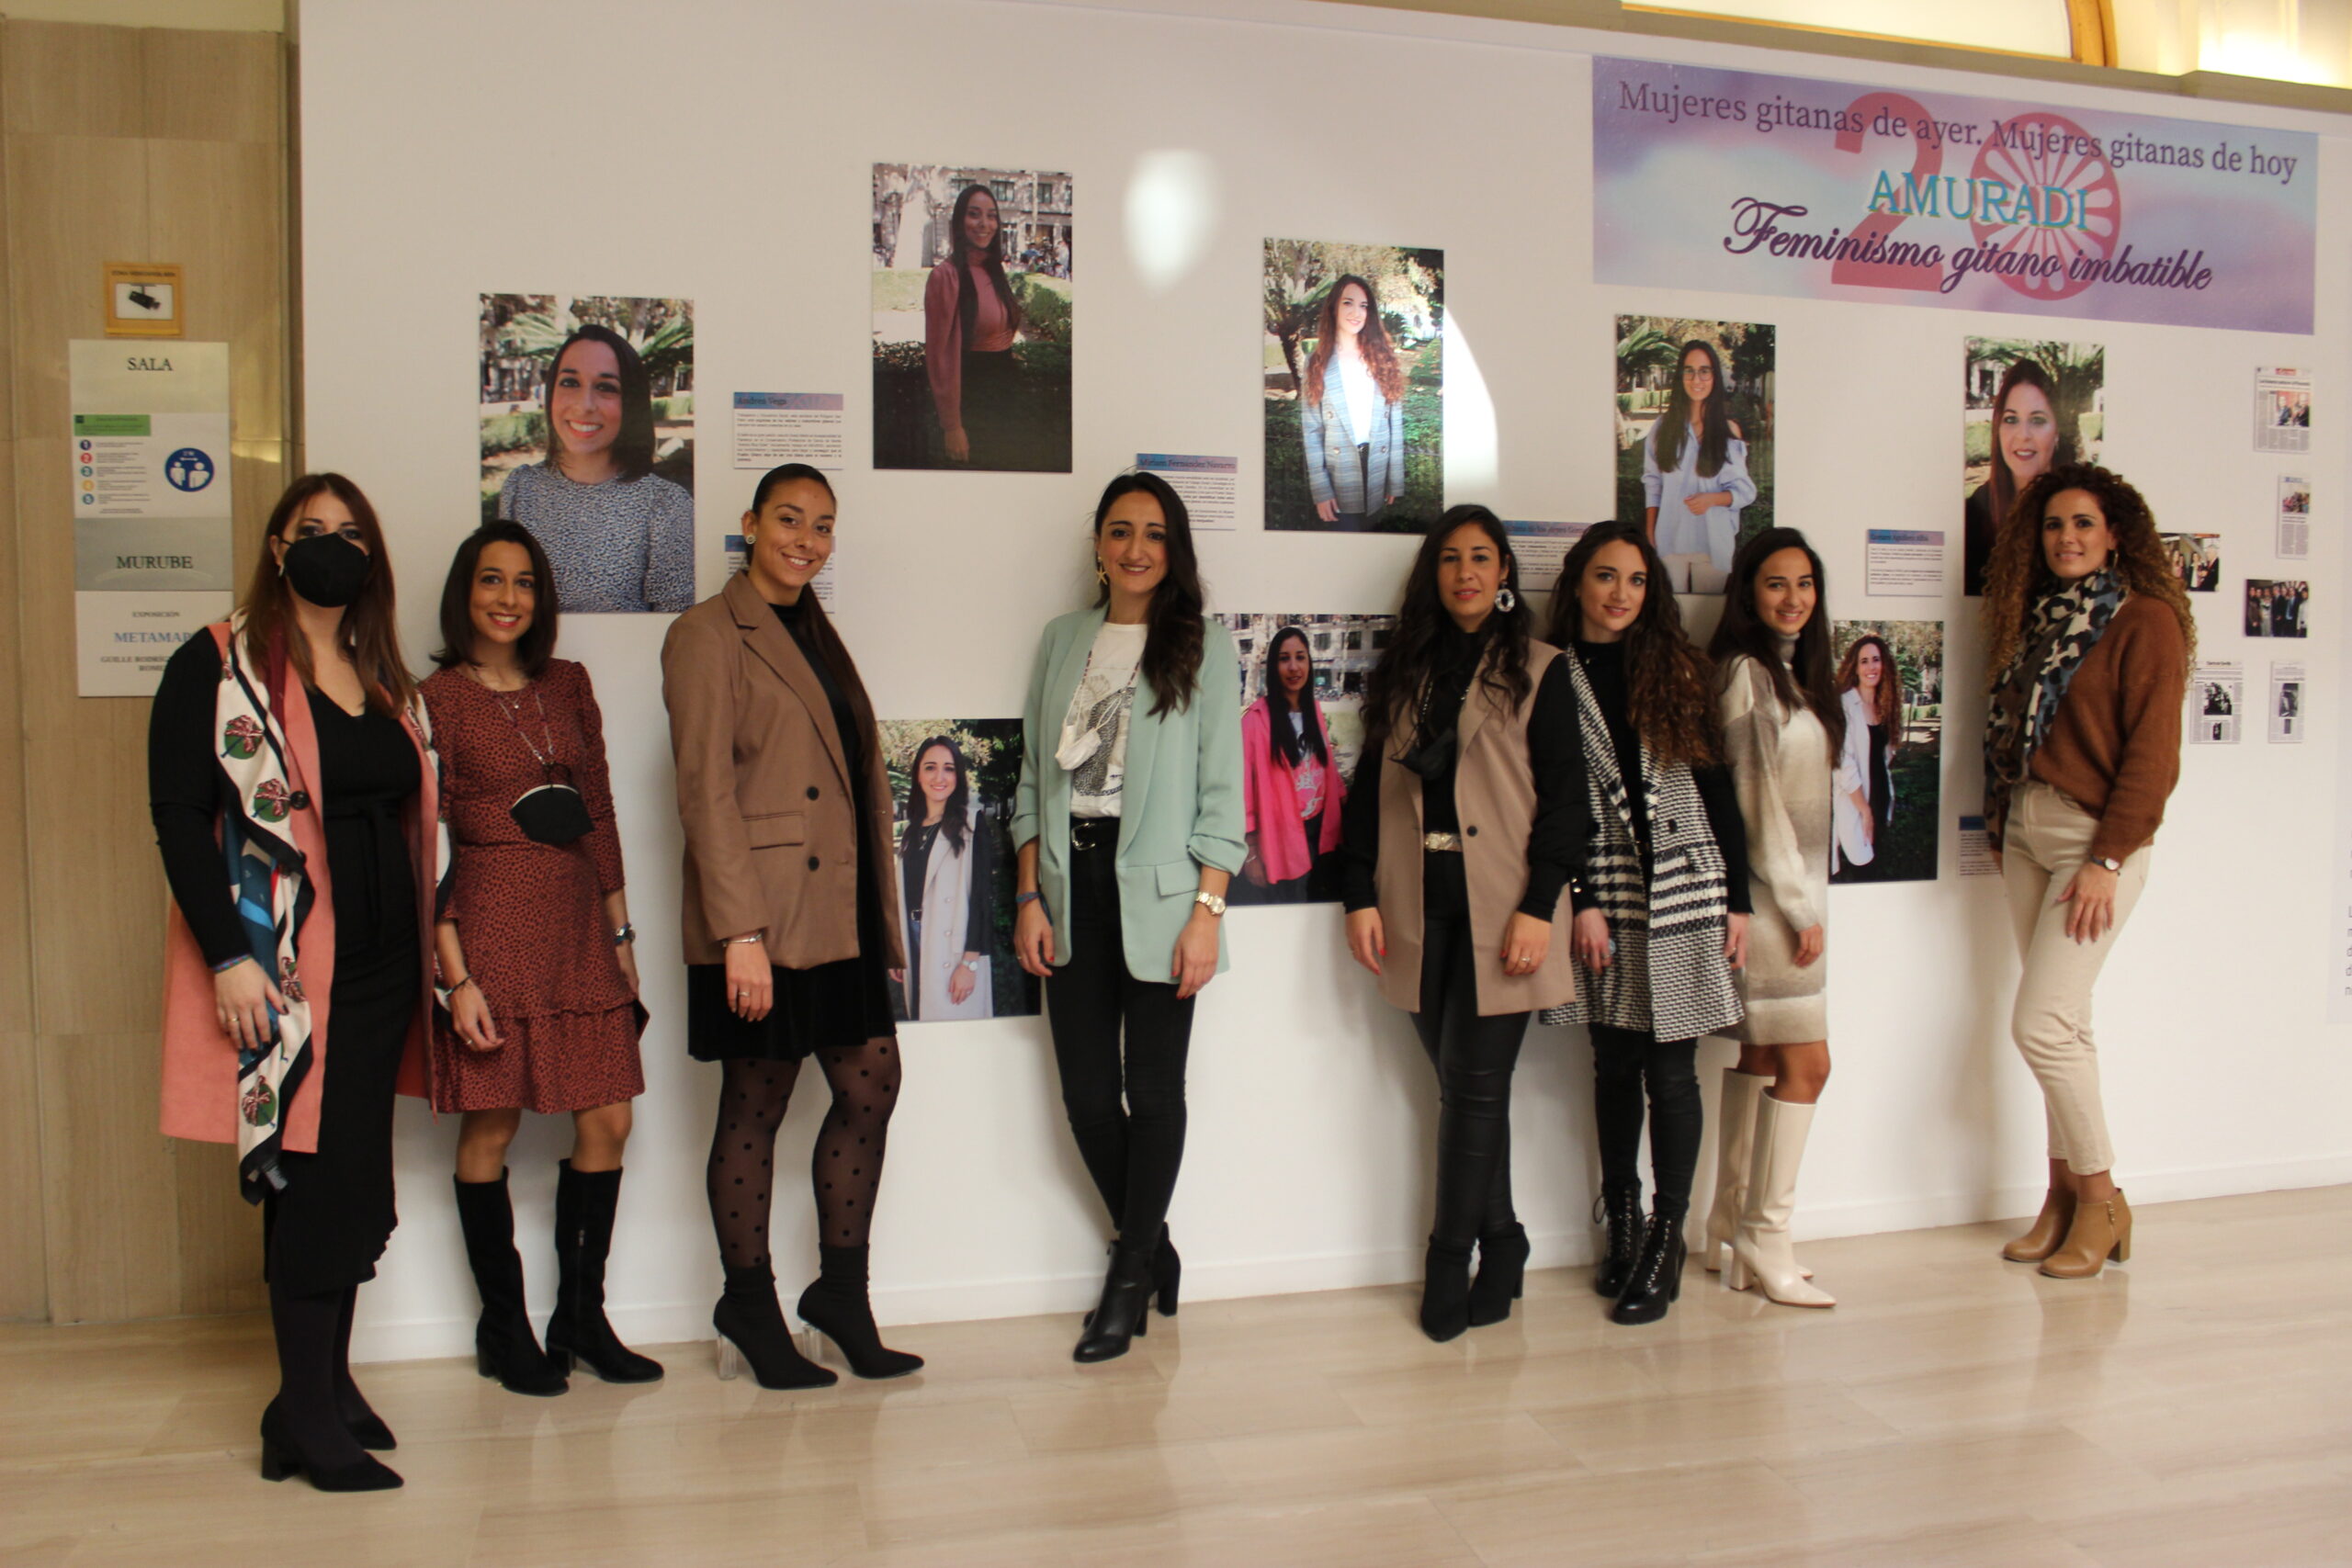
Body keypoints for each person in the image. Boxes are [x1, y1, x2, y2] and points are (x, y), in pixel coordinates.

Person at [152, 475, 435, 1492]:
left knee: (351, 1176)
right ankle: (305, 1414)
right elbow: (179, 813)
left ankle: (321, 1389)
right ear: (277, 548)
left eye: (351, 533)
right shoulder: (218, 661)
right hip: (287, 969)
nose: (331, 546)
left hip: (384, 964)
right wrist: (227, 956)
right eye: (311, 530)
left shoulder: (380, 671)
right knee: (310, 1178)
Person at [662, 463, 922, 1388]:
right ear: (750, 524)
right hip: (763, 920)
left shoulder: (814, 629)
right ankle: (748, 1301)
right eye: (788, 519)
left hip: (836, 912)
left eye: (822, 525)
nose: (806, 540)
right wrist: (740, 935)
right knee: (756, 1101)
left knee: (871, 1083)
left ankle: (840, 1296)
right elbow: (704, 793)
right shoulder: (705, 633)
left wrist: (882, 922)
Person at [420, 523, 658, 1396]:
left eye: (524, 582)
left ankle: (580, 1319)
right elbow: (426, 845)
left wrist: (622, 934)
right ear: (465, 591)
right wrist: (455, 976)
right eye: (492, 579)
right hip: (489, 928)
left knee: (609, 1121)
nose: (508, 598)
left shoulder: (569, 682)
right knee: (493, 1126)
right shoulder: (434, 699)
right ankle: (503, 1325)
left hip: (579, 929)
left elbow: (600, 808)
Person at [1012, 470, 1245, 1362]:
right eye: (1120, 531)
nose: (1136, 548)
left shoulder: (1203, 646)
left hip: (1164, 896)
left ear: (1173, 548)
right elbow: (1033, 780)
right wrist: (1029, 893)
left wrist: (1207, 912)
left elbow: (1221, 794)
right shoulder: (1061, 638)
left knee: (1152, 1093)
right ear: (1099, 545)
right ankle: (1153, 1249)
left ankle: (1124, 1278)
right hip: (1069, 886)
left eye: (1153, 533)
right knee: (1084, 1097)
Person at [1340, 507, 1581, 1340]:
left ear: (1505, 571)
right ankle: (1505, 1241)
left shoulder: (1543, 670)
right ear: (1433, 573)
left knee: (1474, 1088)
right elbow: (1369, 790)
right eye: (1450, 558)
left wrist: (1538, 907)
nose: (1466, 572)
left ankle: (1449, 1261)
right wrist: (1359, 893)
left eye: (1481, 557)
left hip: (1501, 910)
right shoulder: (1406, 670)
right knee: (1465, 1090)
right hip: (1416, 906)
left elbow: (1567, 805)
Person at [1539, 520, 1751, 1326]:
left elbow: (1717, 784)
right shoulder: (1551, 672)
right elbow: (1549, 796)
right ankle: (1622, 1217)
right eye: (1606, 576)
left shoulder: (1677, 668)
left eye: (1635, 579)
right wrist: (1580, 897)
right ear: (1578, 582)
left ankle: (1669, 1235)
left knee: (1672, 1071)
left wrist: (1739, 897)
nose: (1621, 593)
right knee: (1613, 1062)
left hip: (1686, 887)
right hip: (1607, 890)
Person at [1983, 462, 2190, 1280]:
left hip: (2092, 842)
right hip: (2026, 833)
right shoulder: (2038, 619)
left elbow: (2153, 757)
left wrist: (2108, 857)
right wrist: (2002, 824)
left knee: (2039, 1024)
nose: (2065, 538)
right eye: (2053, 525)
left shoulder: (2145, 621)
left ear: (2115, 536)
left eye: (2082, 524)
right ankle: (2061, 1197)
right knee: (2066, 1026)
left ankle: (2102, 1198)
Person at [1705, 528, 1841, 1308]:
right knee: (1808, 1066)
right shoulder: (1745, 674)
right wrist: (1795, 904)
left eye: (1804, 583)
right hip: (1772, 906)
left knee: (1762, 1057)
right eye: (1775, 583)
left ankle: (1730, 1220)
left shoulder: (1790, 675)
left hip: (1788, 900)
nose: (1793, 598)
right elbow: (1753, 800)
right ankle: (1767, 1233)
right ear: (1748, 594)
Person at [498, 323, 695, 615]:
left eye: (605, 387)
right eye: (570, 382)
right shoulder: (520, 489)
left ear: (631, 403)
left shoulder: (665, 505)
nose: (584, 405)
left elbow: (676, 627)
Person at [892, 736, 997, 1021]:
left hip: (955, 953)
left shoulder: (972, 824)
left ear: (958, 776)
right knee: (922, 1025)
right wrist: (898, 950)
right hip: (915, 943)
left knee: (956, 1036)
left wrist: (970, 964)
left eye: (948, 768)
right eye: (930, 767)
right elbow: (904, 897)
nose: (939, 777)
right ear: (918, 775)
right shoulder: (911, 832)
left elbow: (982, 899)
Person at [1238, 625, 1346, 903]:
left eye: (1300, 657)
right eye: (1284, 659)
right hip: (1282, 837)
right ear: (1273, 667)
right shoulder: (1255, 720)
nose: (1294, 667)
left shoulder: (1315, 711)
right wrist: (1251, 852)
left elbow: (1328, 773)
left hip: (1320, 832)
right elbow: (1244, 792)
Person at [924, 183, 1026, 469]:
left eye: (991, 216)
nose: (984, 224)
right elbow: (940, 356)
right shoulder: (945, 276)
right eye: (974, 214)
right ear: (959, 221)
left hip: (1005, 393)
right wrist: (952, 426)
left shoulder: (994, 270)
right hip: (971, 400)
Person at [1642, 339, 1755, 594]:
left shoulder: (1728, 431)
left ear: (1714, 376)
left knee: (1708, 614)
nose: (1696, 379)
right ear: (1680, 376)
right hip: (1670, 540)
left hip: (1712, 543)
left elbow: (1745, 492)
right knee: (1671, 612)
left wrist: (1712, 499)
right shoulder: (1662, 428)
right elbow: (1653, 483)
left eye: (1704, 371)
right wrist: (1650, 530)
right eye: (1689, 371)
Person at [1298, 275, 1408, 530]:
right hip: (1339, 472)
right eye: (1348, 303)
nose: (1356, 312)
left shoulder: (1383, 358)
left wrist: (1395, 481)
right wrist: (1321, 489)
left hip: (1378, 468)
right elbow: (1312, 430)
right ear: (1333, 308)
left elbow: (1395, 422)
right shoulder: (1316, 362)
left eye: (1364, 305)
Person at [1964, 358, 2072, 597]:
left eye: (2037, 420)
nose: (2023, 435)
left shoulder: (2081, 510)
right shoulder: (1973, 515)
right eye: (2011, 419)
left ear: (2057, 432)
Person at [1831, 634, 1901, 880]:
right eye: (1864, 661)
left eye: (1876, 660)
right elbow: (1843, 764)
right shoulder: (1844, 705)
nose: (1871, 667)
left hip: (1880, 797)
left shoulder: (1885, 706)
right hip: (1857, 802)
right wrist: (1865, 811)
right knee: (1861, 867)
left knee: (1876, 865)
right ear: (1855, 667)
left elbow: (1885, 756)